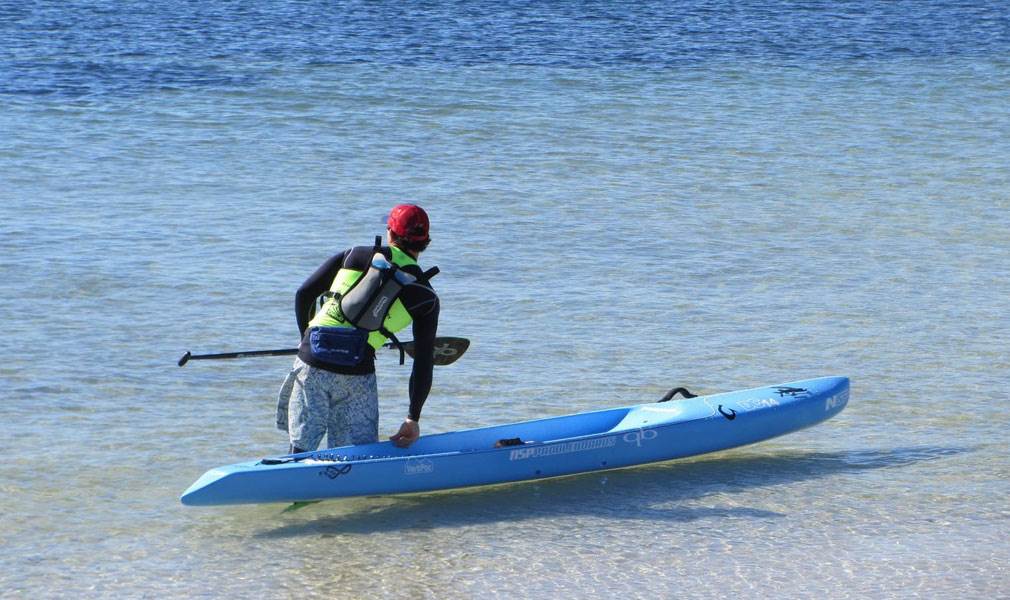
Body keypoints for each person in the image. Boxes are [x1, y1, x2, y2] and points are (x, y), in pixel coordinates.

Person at [275, 204, 439, 452]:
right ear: (425, 242)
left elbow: (304, 293)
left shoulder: (355, 255)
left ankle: (289, 475)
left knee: (299, 453)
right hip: (358, 371)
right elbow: (424, 361)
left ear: (390, 233)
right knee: (354, 457)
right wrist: (412, 417)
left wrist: (304, 340)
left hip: (312, 359)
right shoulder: (426, 297)